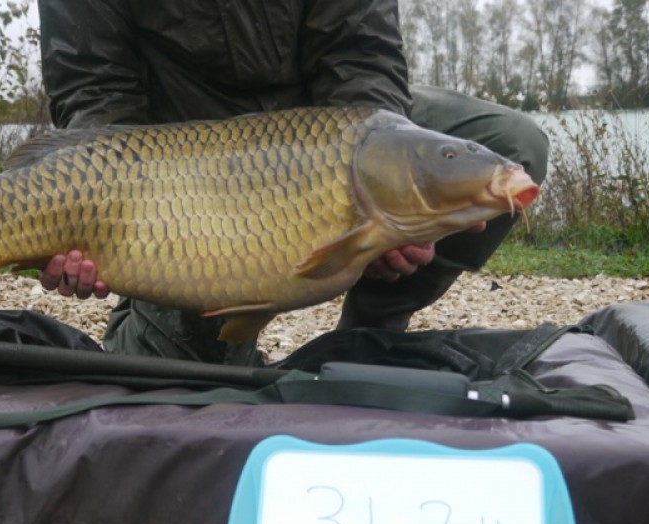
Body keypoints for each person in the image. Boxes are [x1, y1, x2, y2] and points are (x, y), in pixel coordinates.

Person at [36, 0, 549, 366]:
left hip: (328, 125)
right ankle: (143, 320)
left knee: (511, 143)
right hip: (181, 151)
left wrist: (382, 185)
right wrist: (101, 214)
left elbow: (362, 55)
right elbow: (95, 90)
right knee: (191, 380)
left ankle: (368, 335)